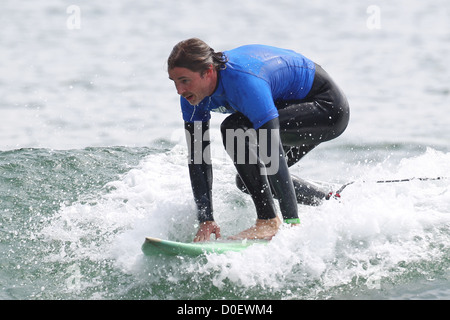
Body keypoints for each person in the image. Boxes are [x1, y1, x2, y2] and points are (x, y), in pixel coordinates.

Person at [167, 38, 349, 242]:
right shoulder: (192, 97)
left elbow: (271, 150)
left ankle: (269, 221)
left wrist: (291, 223)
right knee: (249, 181)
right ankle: (332, 202)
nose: (179, 91)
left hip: (326, 108)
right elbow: (198, 157)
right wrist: (206, 219)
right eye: (174, 82)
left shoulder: (243, 82)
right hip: (287, 105)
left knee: (234, 128)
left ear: (208, 71)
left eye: (184, 80)